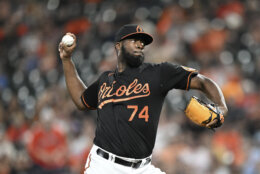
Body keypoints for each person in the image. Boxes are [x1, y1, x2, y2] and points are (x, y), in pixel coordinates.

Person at [58, 24, 228, 174]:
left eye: (143, 42)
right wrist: (66, 60)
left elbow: (203, 82)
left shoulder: (160, 72)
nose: (140, 44)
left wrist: (221, 107)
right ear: (118, 46)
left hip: (143, 168)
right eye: (134, 40)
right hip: (104, 166)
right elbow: (81, 101)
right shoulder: (105, 80)